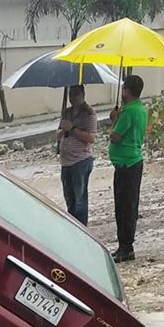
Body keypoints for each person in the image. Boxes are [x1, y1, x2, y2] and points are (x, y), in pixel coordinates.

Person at [108, 74, 148, 263]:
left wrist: (114, 119)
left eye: (123, 88)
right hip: (132, 162)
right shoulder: (140, 109)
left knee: (124, 206)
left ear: (127, 90)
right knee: (129, 205)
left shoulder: (129, 111)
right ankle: (125, 246)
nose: (122, 91)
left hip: (127, 164)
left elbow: (115, 136)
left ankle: (126, 247)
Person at [57, 84, 97, 226]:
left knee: (80, 200)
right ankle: (73, 226)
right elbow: (60, 131)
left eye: (76, 95)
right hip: (66, 162)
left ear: (83, 95)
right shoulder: (67, 112)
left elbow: (91, 137)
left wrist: (72, 129)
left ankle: (81, 227)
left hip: (80, 161)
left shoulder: (89, 113)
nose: (73, 98)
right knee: (70, 199)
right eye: (71, 95)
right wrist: (62, 132)